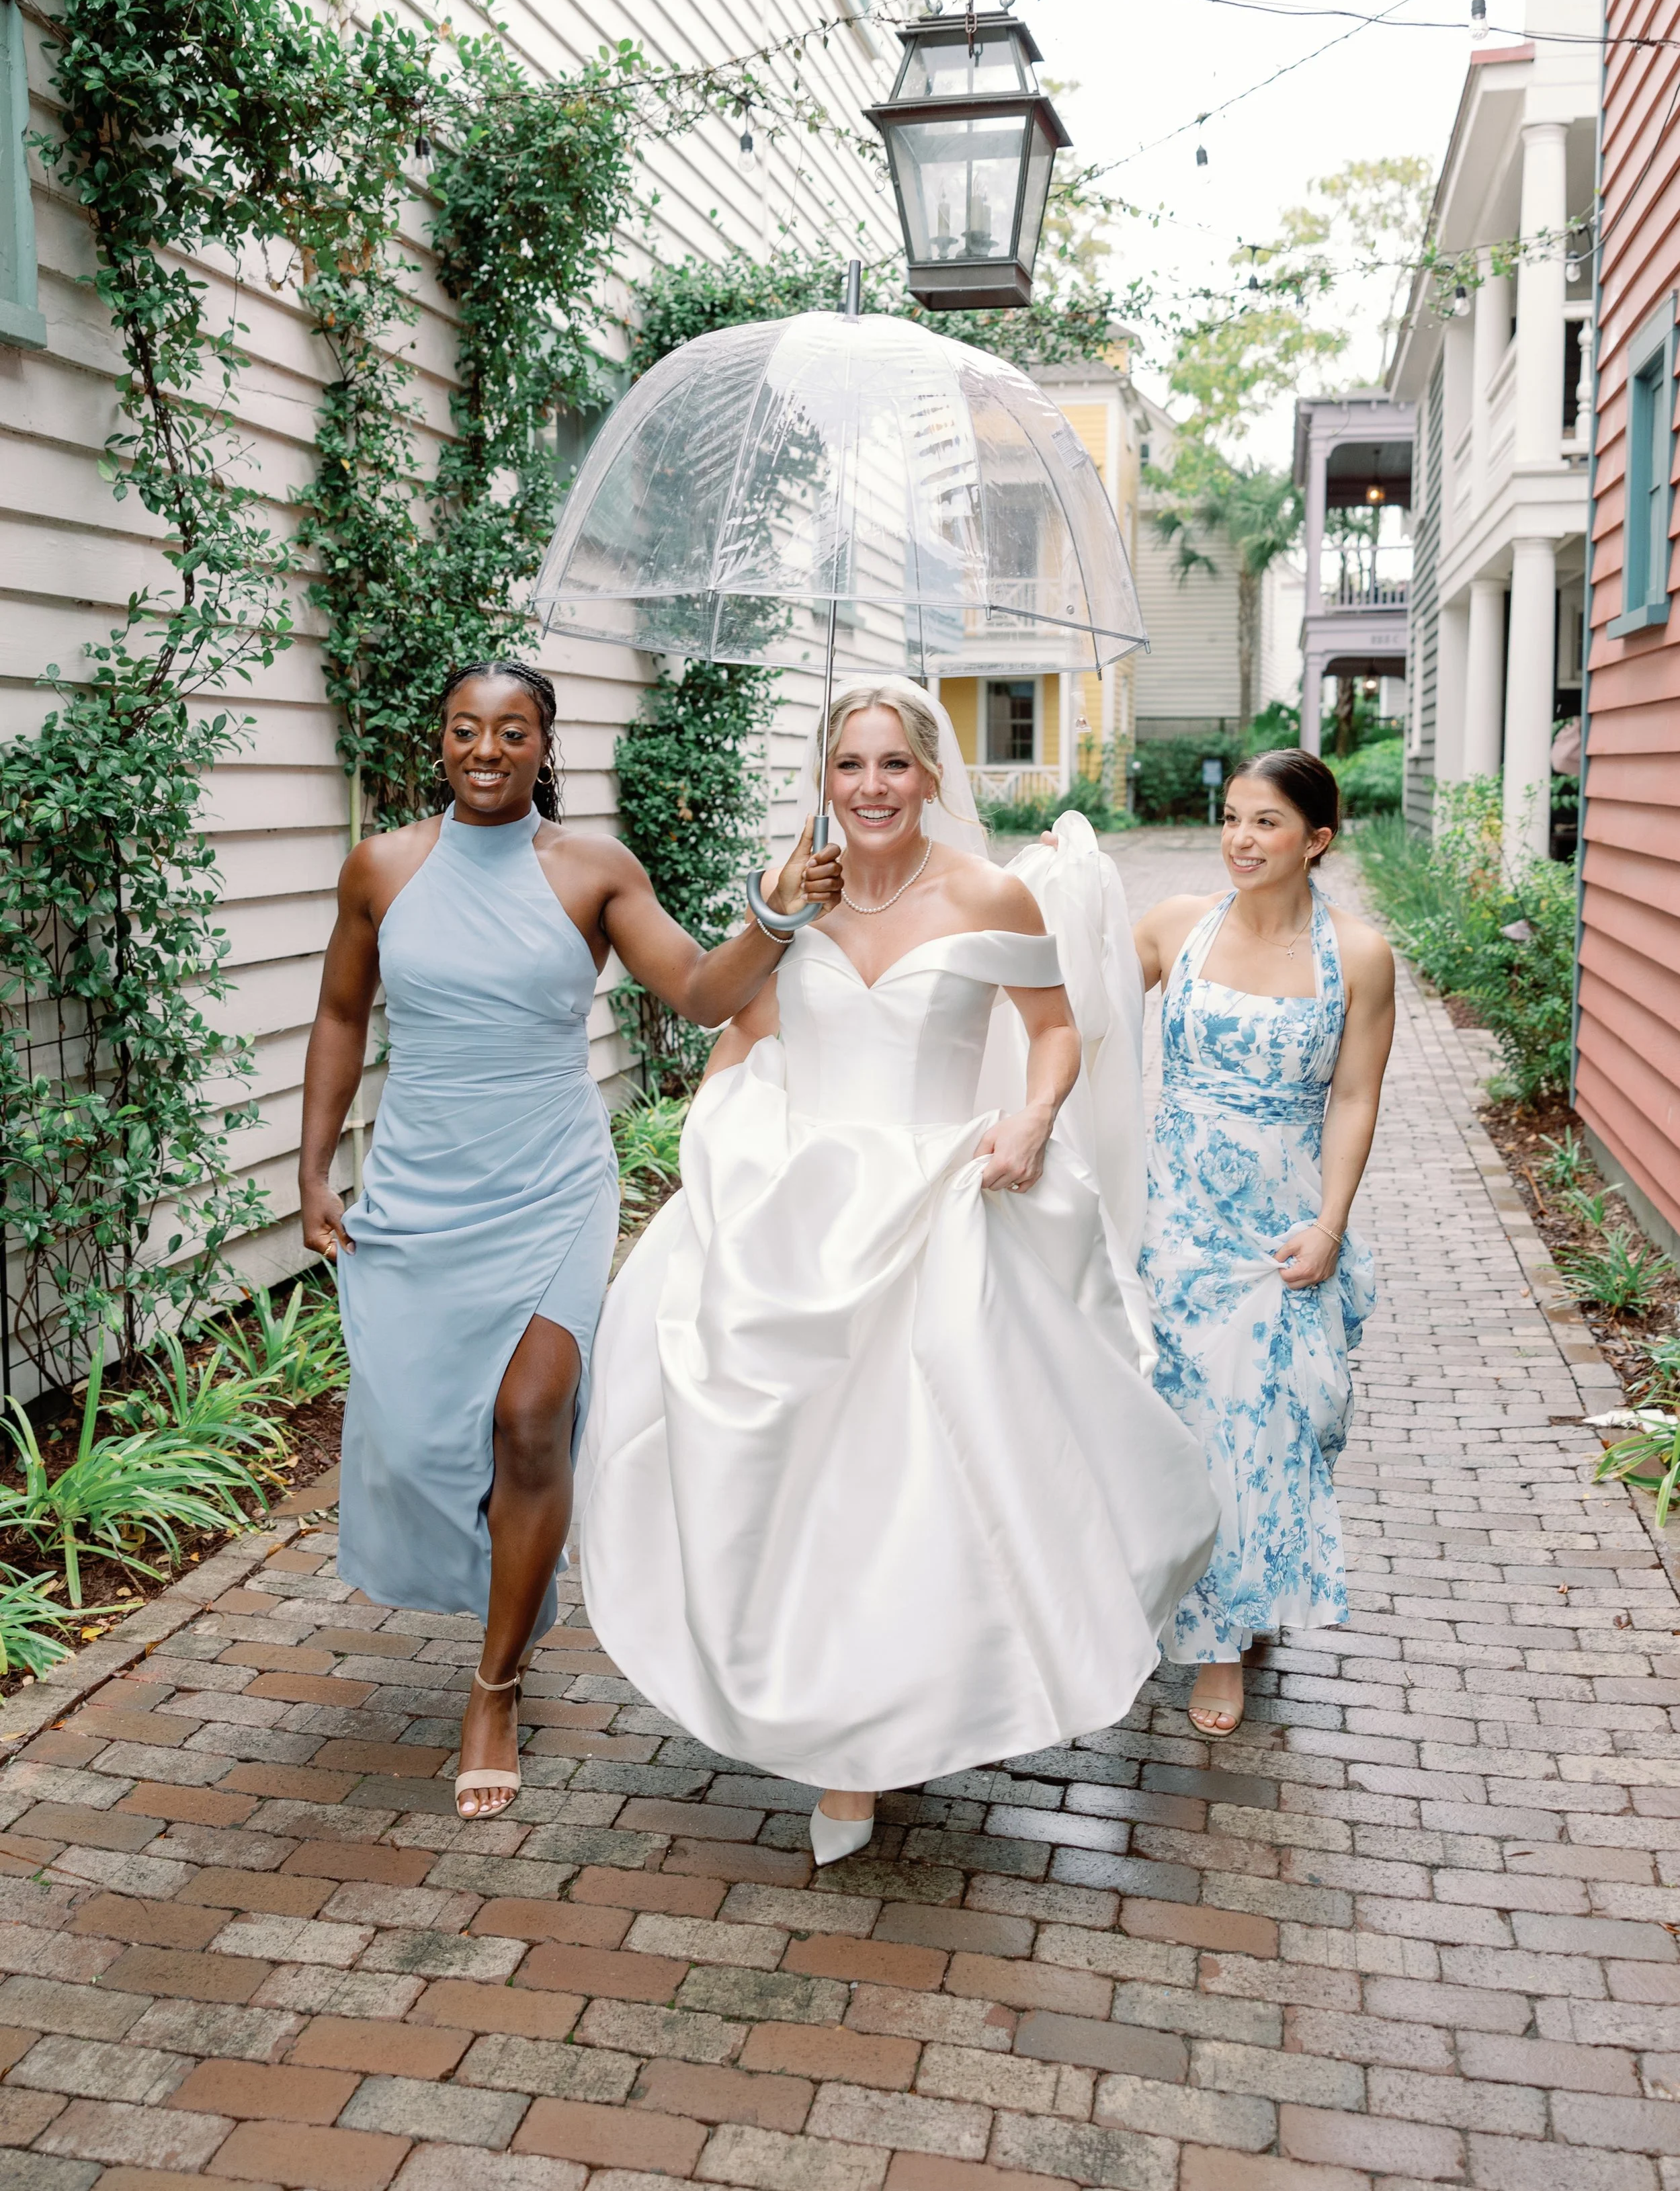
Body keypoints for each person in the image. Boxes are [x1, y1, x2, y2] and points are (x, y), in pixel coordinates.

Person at [577, 676, 1218, 1866]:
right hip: (799, 1209)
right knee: (796, 1478)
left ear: (930, 774)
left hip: (935, 1207)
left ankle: (895, 1717)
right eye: (848, 766)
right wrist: (766, 961)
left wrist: (1031, 1116)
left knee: (916, 1478)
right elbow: (737, 1018)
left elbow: (1060, 1026)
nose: (870, 788)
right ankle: (829, 1718)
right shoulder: (791, 891)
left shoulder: (988, 892)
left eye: (893, 765)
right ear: (824, 779)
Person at [298, 659, 838, 1822]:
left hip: (550, 1185)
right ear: (437, 742)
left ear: (548, 745)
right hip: (421, 1190)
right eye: (464, 730)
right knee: (416, 1430)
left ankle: (494, 1687)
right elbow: (342, 1013)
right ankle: (509, 1590)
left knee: (531, 1417)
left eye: (512, 732)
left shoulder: (594, 871)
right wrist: (313, 1166)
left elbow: (699, 991)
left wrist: (779, 912)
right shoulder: (382, 867)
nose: (485, 751)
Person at [1133, 749, 1394, 1739]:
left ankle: (1230, 1630)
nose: (1241, 840)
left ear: (1316, 840)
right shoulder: (1172, 928)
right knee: (1183, 1427)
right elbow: (1070, 996)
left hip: (1277, 1230)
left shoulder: (1359, 956)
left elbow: (1356, 1095)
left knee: (1264, 1432)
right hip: (1175, 1222)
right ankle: (1202, 1624)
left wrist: (1328, 1222)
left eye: (1267, 823)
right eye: (1233, 818)